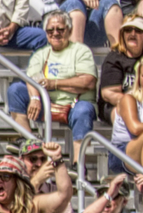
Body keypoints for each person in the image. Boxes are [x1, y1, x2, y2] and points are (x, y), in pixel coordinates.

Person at [9, 12, 98, 158]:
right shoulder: (41, 54)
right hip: (46, 103)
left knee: (84, 110)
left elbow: (88, 81)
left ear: (69, 31)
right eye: (51, 30)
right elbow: (31, 78)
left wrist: (54, 84)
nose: (55, 33)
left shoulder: (81, 51)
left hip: (75, 104)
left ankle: (78, 164)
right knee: (15, 90)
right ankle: (31, 143)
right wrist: (35, 98)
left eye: (60, 29)